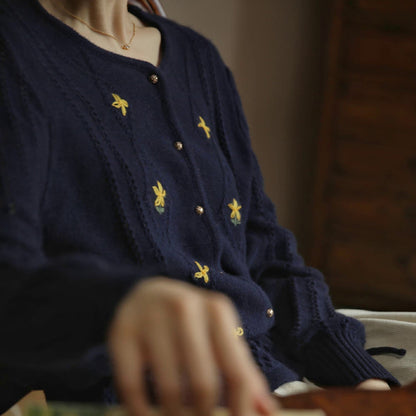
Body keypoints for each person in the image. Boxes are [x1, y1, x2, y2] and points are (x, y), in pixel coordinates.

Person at [0, 0, 396, 415]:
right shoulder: (14, 51)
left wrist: (361, 380)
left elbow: (264, 243)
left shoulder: (197, 57)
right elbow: (9, 278)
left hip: (271, 382)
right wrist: (119, 305)